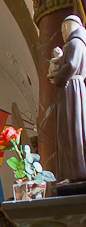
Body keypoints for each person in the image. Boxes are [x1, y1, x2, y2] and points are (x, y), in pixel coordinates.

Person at [47, 14, 86, 183]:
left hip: (72, 89)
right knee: (66, 131)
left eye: (65, 28)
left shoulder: (76, 42)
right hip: (69, 88)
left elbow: (71, 65)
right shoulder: (73, 43)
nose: (63, 32)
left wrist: (57, 79)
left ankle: (76, 173)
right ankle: (69, 173)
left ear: (71, 26)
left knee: (72, 130)